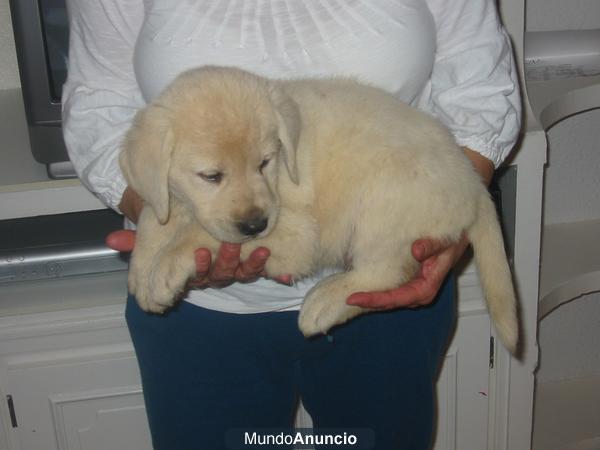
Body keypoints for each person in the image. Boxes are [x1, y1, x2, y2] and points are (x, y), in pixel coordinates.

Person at [62, 1, 521, 449]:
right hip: (202, 323)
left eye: (266, 162)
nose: (253, 209)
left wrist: (445, 216)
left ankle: (373, 270)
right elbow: (97, 106)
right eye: (212, 175)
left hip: (387, 300)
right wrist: (152, 213)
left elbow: (478, 81)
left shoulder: (290, 129)